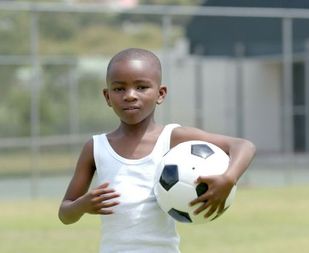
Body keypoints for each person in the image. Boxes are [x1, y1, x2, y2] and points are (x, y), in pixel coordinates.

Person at [58, 48, 256, 253]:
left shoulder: (172, 138)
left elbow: (243, 146)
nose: (130, 96)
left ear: (160, 94)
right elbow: (65, 214)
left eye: (141, 87)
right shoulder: (96, 147)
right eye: (119, 89)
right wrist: (82, 205)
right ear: (107, 96)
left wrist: (228, 179)